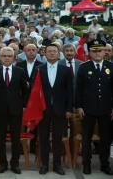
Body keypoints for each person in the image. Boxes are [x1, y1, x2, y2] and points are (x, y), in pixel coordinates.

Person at [75, 39, 113, 175]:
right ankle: (86, 163)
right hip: (87, 109)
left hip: (106, 109)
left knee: (106, 138)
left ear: (104, 51)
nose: (97, 53)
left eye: (100, 50)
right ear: (90, 52)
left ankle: (104, 164)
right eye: (94, 50)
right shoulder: (84, 67)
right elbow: (78, 89)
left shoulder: (111, 66)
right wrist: (79, 106)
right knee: (86, 138)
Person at [0, 47, 28, 174]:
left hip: (16, 110)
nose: (6, 58)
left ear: (14, 57)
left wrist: (25, 106)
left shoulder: (20, 71)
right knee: (1, 138)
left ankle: (15, 164)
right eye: (4, 55)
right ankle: (3, 163)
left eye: (9, 56)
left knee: (16, 138)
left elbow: (25, 90)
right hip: (0, 110)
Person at [36, 44, 74, 175]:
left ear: (59, 54)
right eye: (49, 51)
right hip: (43, 109)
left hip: (60, 110)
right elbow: (34, 92)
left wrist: (69, 109)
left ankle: (57, 165)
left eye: (54, 51)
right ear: (45, 54)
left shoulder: (66, 69)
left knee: (58, 138)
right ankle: (44, 164)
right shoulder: (39, 69)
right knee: (43, 137)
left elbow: (70, 91)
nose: (52, 53)